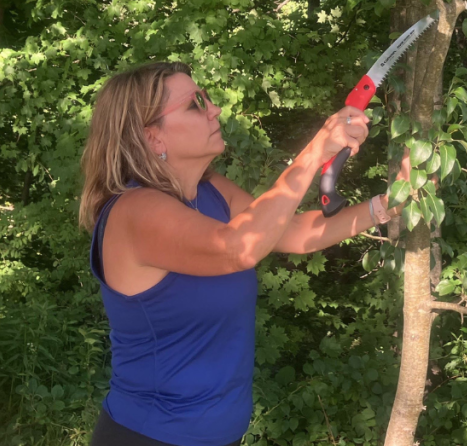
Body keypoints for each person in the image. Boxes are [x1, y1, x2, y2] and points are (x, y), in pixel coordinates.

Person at [79, 62, 405, 446]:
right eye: (194, 104)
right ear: (153, 139)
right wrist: (317, 149)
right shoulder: (134, 212)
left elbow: (295, 233)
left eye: (206, 98)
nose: (213, 108)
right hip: (149, 436)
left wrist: (389, 203)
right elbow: (239, 248)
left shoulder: (210, 190)